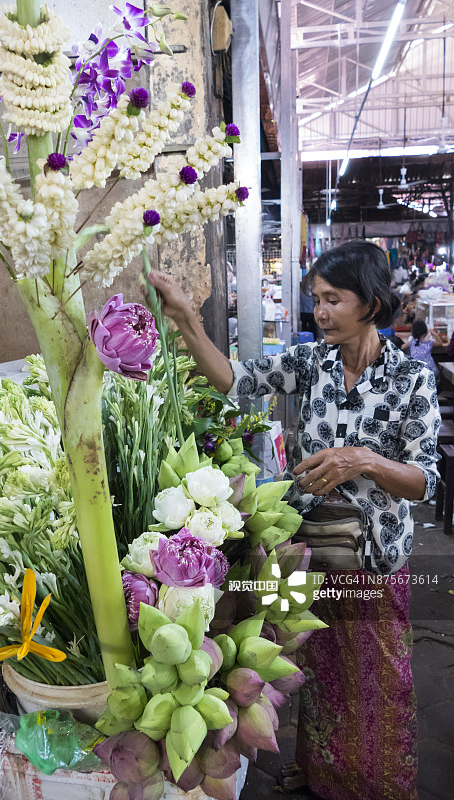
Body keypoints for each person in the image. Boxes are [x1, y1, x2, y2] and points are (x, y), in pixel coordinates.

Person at [148, 239, 440, 800]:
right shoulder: (310, 364)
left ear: (372, 303)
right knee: (316, 671)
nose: (321, 311)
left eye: (334, 298)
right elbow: (234, 381)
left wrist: (365, 460)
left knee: (377, 680)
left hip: (374, 559)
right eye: (317, 299)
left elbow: (426, 481)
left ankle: (376, 785)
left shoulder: (410, 380)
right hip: (307, 549)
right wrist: (187, 321)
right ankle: (325, 776)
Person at [401, 319, 444, 383]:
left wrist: (408, 343)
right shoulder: (429, 342)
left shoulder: (412, 340)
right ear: (425, 331)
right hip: (430, 372)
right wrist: (434, 334)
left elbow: (402, 347)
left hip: (415, 372)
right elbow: (440, 343)